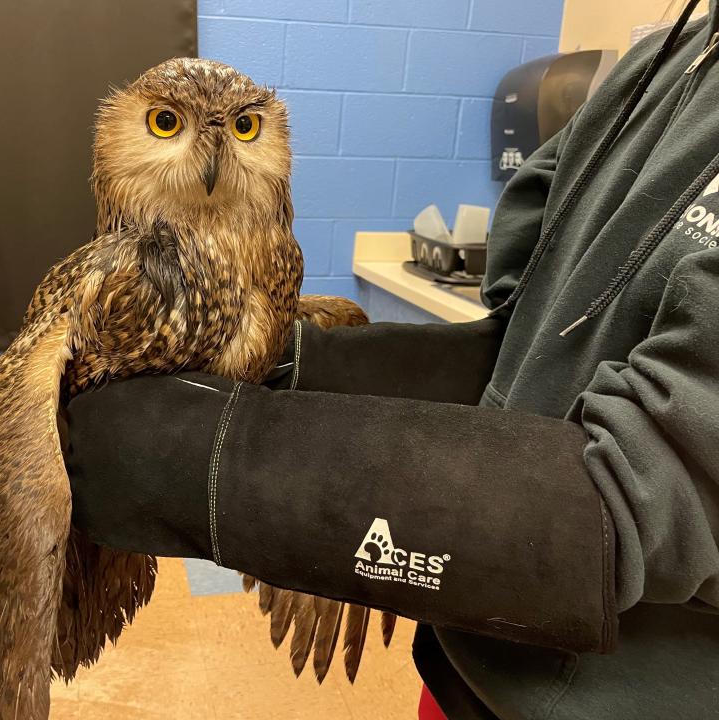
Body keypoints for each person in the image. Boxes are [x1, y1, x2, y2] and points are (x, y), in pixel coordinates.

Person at [64, 2, 719, 717]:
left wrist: (216, 462)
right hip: (473, 658)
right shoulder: (670, 57)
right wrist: (289, 366)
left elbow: (651, 494)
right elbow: (525, 345)